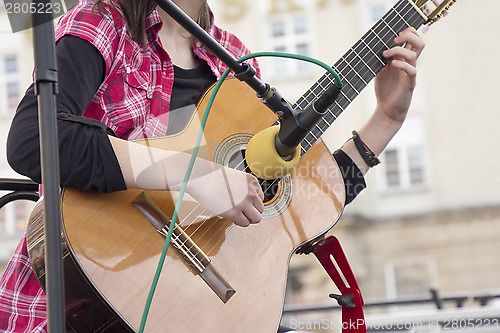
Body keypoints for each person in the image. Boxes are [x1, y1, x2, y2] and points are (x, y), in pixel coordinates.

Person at [0, 0, 425, 332]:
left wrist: (385, 121)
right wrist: (195, 175)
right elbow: (34, 140)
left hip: (192, 306)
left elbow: (293, 209)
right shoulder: (102, 24)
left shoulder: (236, 63)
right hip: (74, 295)